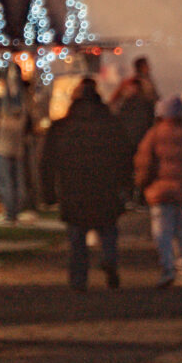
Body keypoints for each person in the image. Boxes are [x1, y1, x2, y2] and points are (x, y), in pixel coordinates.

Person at [40, 76, 129, 290]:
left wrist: (49, 192)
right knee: (108, 230)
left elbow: (48, 162)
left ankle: (79, 279)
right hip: (105, 186)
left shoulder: (63, 127)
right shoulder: (111, 123)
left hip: (74, 188)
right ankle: (109, 260)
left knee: (77, 237)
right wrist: (125, 185)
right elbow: (124, 156)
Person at [134, 96, 182, 288]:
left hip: (160, 191)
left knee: (162, 232)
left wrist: (142, 184)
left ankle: (167, 268)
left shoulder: (153, 135)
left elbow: (144, 163)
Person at [0, 64, 32, 223]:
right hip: (17, 145)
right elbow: (28, 124)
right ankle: (16, 210)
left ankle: (10, 212)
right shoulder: (24, 99)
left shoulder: (1, 98)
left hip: (3, 144)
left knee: (5, 180)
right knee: (16, 179)